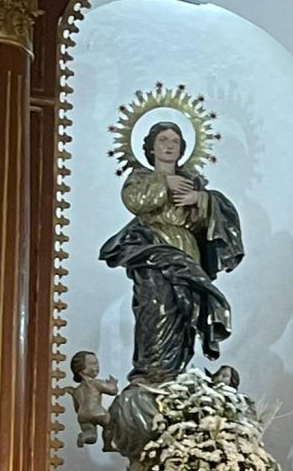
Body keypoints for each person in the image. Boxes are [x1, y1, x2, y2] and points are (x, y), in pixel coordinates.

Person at [100, 120, 244, 385]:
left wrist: (200, 200)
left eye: (175, 142)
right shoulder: (140, 177)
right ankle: (150, 373)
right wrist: (165, 183)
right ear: (151, 148)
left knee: (184, 316)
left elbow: (208, 223)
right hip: (152, 252)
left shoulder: (193, 182)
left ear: (182, 149)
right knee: (156, 308)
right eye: (163, 141)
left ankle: (175, 375)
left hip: (187, 252)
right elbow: (135, 201)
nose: (169, 146)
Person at [66, 350, 116, 447]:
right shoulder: (95, 383)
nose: (97, 367)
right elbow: (112, 391)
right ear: (82, 370)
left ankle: (84, 436)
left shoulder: (77, 390)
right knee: (110, 425)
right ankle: (107, 445)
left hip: (83, 416)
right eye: (93, 364)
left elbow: (77, 408)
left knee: (92, 434)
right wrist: (113, 384)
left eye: (97, 363)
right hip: (98, 413)